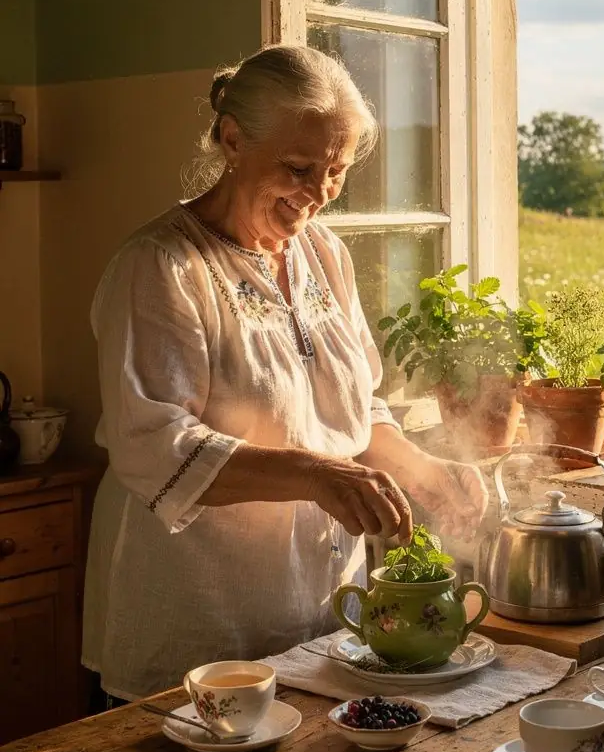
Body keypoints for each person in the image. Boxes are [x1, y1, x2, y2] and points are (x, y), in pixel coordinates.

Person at [83, 45, 488, 702]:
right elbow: (153, 445)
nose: (319, 196)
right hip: (202, 620)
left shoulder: (323, 256)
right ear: (234, 139)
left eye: (337, 172)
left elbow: (356, 409)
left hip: (322, 612)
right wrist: (314, 472)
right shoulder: (162, 267)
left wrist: (424, 472)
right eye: (300, 168)